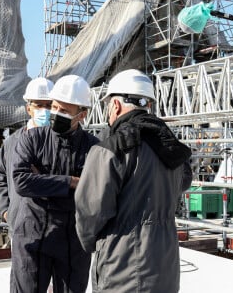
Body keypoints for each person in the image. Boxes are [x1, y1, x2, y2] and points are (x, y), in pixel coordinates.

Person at [75, 69, 193, 293]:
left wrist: (94, 245)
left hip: (124, 269)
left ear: (116, 105)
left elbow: (90, 213)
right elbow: (184, 182)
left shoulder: (110, 148)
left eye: (108, 105)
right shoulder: (172, 148)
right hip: (165, 265)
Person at [10, 75, 100, 293]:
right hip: (32, 235)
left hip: (73, 240)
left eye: (65, 111)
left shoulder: (93, 147)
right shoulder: (32, 139)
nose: (56, 114)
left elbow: (95, 189)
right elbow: (21, 181)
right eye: (55, 107)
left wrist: (42, 180)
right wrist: (70, 181)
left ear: (82, 114)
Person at [0, 77, 53, 286]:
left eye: (49, 105)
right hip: (22, 227)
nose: (44, 110)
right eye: (39, 105)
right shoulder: (12, 143)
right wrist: (7, 212)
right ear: (29, 108)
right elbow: (0, 178)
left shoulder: (61, 141)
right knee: (24, 283)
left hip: (55, 226)